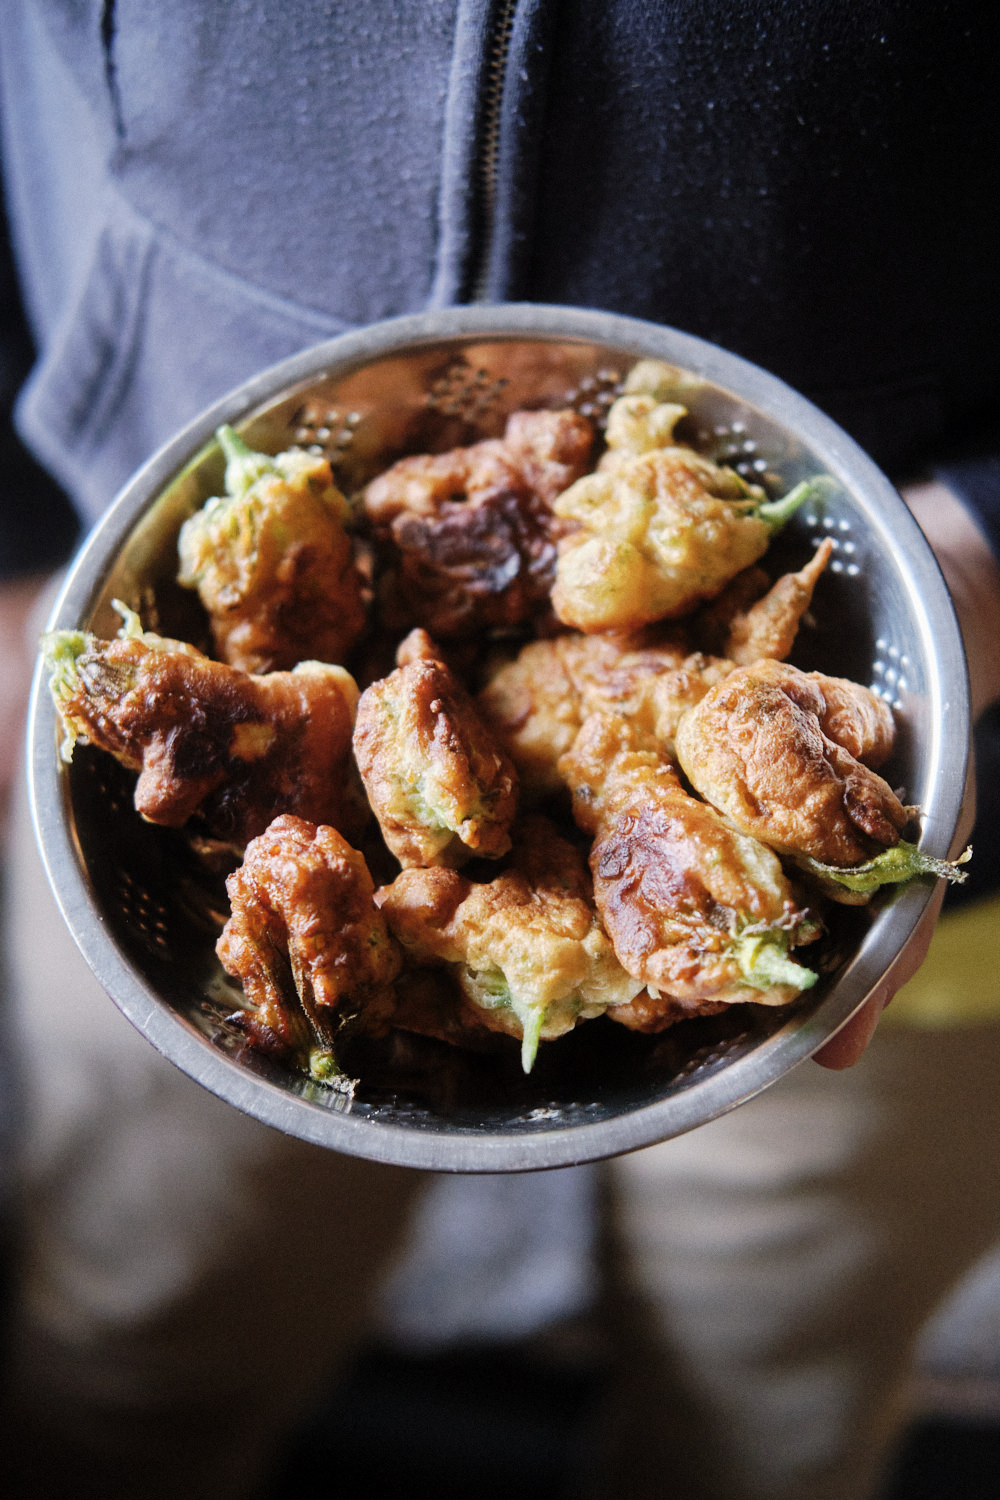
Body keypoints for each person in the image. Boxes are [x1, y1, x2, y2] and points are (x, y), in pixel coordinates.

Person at [0, 3, 998, 1497]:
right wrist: (16, 547)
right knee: (134, 1328)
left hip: (956, 841)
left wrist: (983, 551)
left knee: (769, 1394)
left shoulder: (601, 647)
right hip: (103, 595)